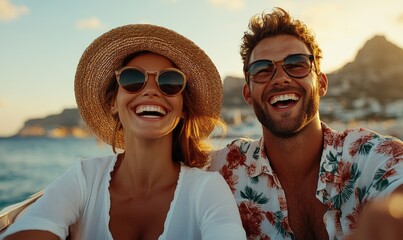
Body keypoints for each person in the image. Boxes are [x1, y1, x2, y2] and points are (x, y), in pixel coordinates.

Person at [0, 24, 246, 240]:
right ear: (113, 103)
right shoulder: (83, 179)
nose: (151, 90)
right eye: (132, 78)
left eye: (169, 81)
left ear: (183, 109)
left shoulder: (208, 190)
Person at [209, 7, 403, 240]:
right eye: (262, 69)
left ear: (321, 83)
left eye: (297, 64)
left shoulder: (371, 155)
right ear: (248, 93)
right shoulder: (225, 170)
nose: (280, 78)